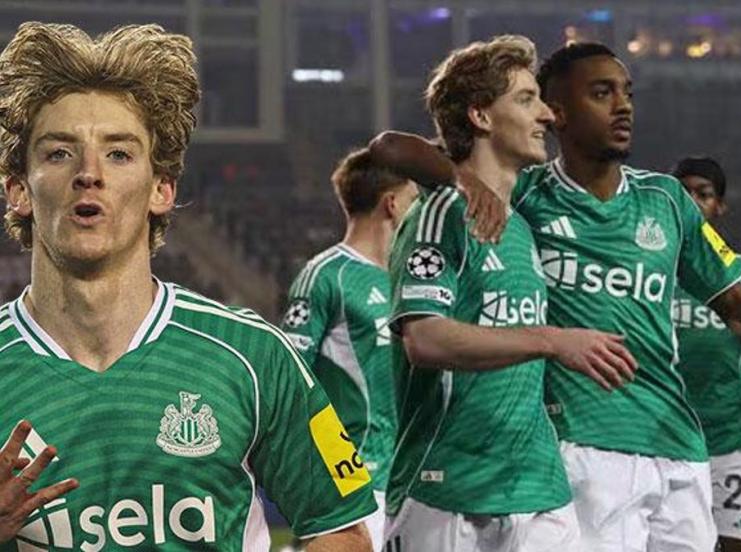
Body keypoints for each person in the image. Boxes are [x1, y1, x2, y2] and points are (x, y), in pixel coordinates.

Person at [370, 41, 741, 551]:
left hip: (675, 440)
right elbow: (392, 148)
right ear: (559, 111)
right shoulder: (523, 195)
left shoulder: (667, 199)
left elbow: (733, 301)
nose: (623, 106)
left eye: (627, 93)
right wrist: (463, 179)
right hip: (578, 446)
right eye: (602, 93)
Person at [0, 22, 374, 551]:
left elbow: (341, 530)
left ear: (161, 189)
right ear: (18, 190)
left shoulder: (253, 355)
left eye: (119, 153)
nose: (89, 173)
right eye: (59, 152)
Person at [384, 34, 639, 552]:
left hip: (538, 487)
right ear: (481, 116)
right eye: (526, 99)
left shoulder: (521, 225)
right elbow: (425, 340)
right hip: (448, 486)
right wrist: (552, 340)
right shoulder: (441, 214)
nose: (546, 114)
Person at [281, 148, 418, 551]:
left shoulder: (410, 280)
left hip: (409, 478)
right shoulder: (327, 275)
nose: (421, 212)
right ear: (392, 204)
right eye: (414, 200)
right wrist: (326, 470)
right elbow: (288, 382)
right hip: (354, 481)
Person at [670, 156, 741, 552]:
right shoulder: (652, 267)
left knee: (735, 545)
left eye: (703, 194)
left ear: (719, 206)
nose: (692, 201)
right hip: (667, 437)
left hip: (729, 436)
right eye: (684, 192)